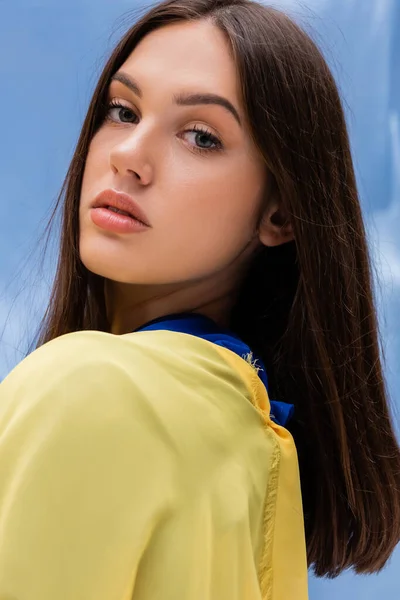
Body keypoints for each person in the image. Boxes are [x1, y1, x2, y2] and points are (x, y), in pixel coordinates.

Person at [0, 0, 399, 598]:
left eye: (200, 136)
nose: (128, 156)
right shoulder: (250, 444)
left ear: (281, 212)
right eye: (122, 110)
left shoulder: (88, 387)